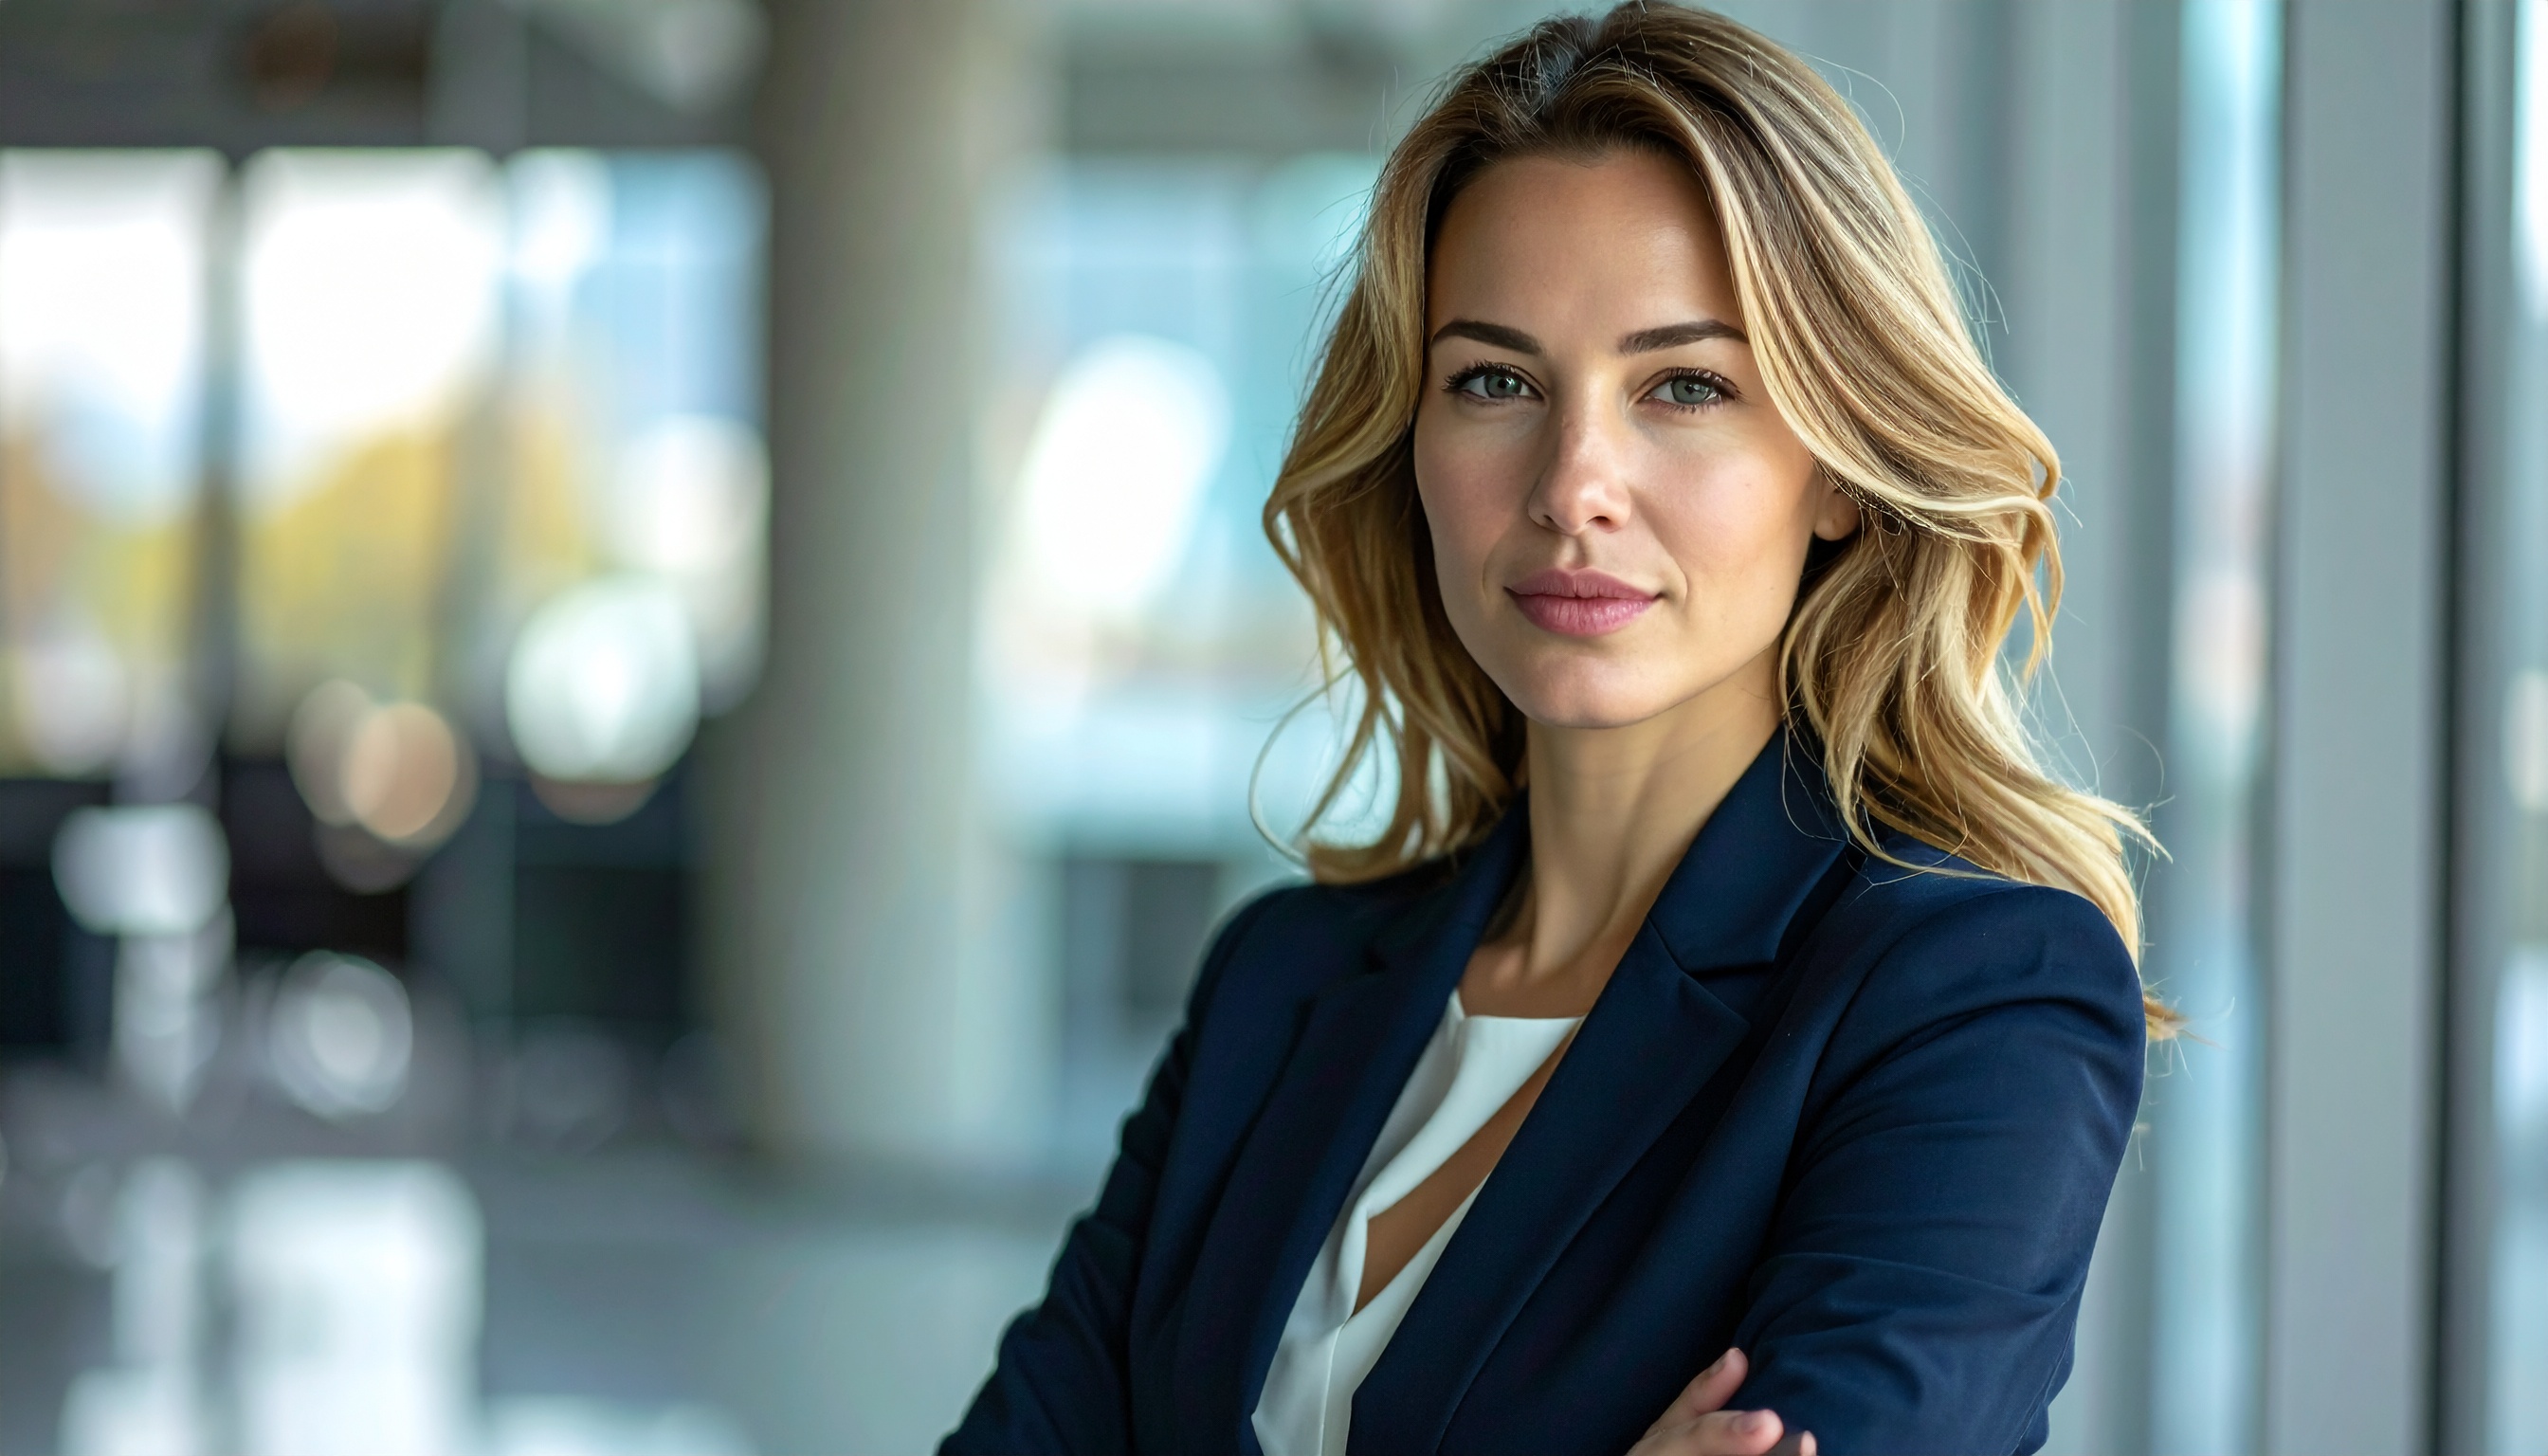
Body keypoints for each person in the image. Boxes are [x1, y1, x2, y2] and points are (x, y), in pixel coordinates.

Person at [944, 6, 2169, 1453]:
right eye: (1496, 382)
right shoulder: (1279, 986)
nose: (1573, 483)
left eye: (1686, 386)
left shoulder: (1971, 999)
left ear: (1838, 467)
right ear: (1412, 443)